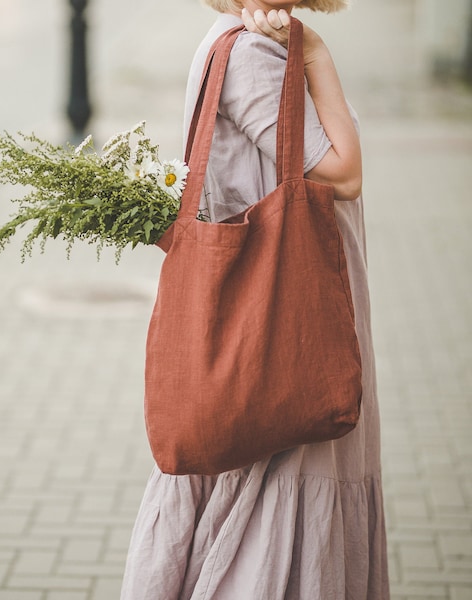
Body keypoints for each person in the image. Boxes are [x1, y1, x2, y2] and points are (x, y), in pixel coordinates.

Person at [121, 1, 390, 598]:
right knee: (282, 491)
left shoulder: (232, 40)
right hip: (287, 314)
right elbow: (344, 174)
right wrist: (316, 53)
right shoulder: (250, 56)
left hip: (275, 308)